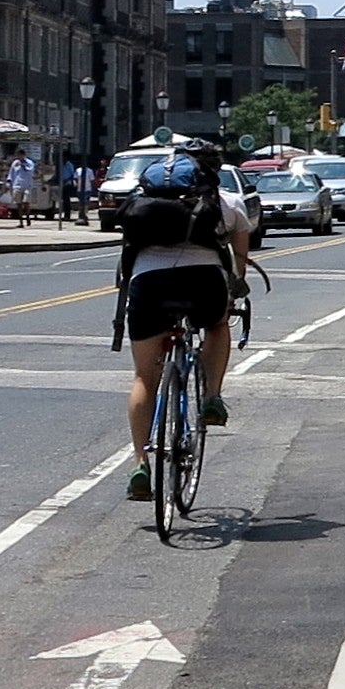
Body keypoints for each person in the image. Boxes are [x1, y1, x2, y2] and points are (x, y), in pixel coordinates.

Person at [112, 139, 257, 488]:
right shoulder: (227, 202)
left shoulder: (145, 199)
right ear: (212, 172)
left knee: (144, 377)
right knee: (218, 326)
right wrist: (234, 288)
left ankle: (141, 464)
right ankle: (212, 397)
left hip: (149, 283)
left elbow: (127, 251)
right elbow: (239, 264)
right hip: (203, 281)